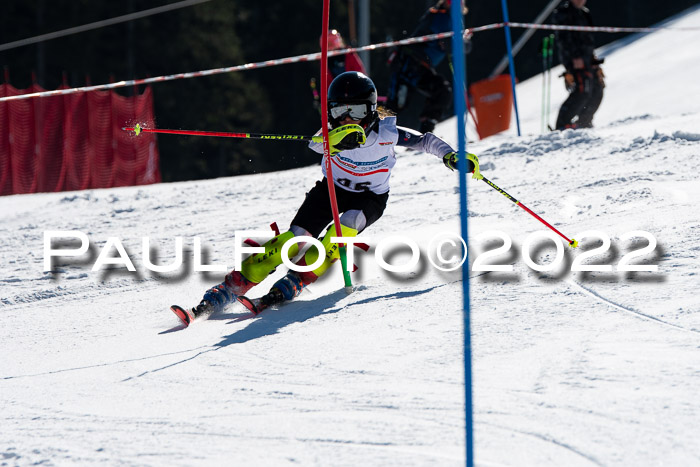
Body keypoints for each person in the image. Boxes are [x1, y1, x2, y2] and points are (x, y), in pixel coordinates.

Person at [174, 71, 481, 324]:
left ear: (372, 110)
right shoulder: (328, 135)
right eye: (340, 112)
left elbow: (425, 140)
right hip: (329, 192)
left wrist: (451, 156)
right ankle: (231, 287)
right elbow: (317, 145)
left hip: (369, 199)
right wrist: (336, 141)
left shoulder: (387, 132)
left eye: (357, 112)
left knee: (340, 231)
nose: (349, 119)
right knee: (292, 241)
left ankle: (298, 279)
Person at [386, 0, 468, 133]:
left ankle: (425, 134)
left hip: (420, 66)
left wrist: (463, 42)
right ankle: (375, 135)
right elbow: (450, 45)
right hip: (408, 62)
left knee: (441, 91)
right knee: (396, 104)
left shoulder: (451, 19)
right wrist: (463, 42)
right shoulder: (441, 16)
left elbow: (453, 44)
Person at [553, 0, 605, 130]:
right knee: (582, 90)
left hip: (588, 58)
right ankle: (562, 124)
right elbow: (563, 39)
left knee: (597, 88)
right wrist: (574, 57)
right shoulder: (563, 13)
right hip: (574, 60)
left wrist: (592, 58)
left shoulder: (584, 13)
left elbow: (588, 39)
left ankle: (584, 121)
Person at [311, 29, 367, 111]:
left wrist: (359, 91)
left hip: (354, 96)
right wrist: (323, 99)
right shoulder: (325, 60)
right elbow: (326, 82)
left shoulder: (348, 54)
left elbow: (360, 74)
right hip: (337, 100)